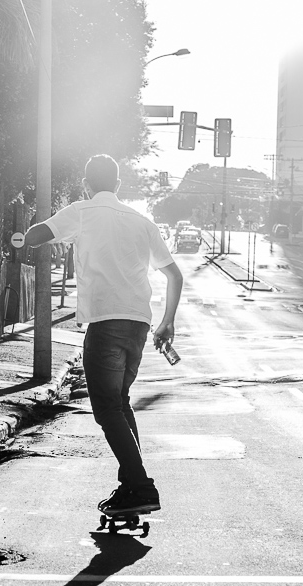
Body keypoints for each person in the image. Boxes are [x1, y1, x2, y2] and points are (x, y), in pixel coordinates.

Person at [24, 154, 183, 516]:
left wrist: (63, 225)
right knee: (120, 402)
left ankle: (141, 486)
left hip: (106, 324)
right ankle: (131, 485)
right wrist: (167, 322)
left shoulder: (81, 211)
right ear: (119, 185)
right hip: (140, 326)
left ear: (85, 184)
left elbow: (34, 237)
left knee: (107, 407)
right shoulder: (142, 222)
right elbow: (175, 276)